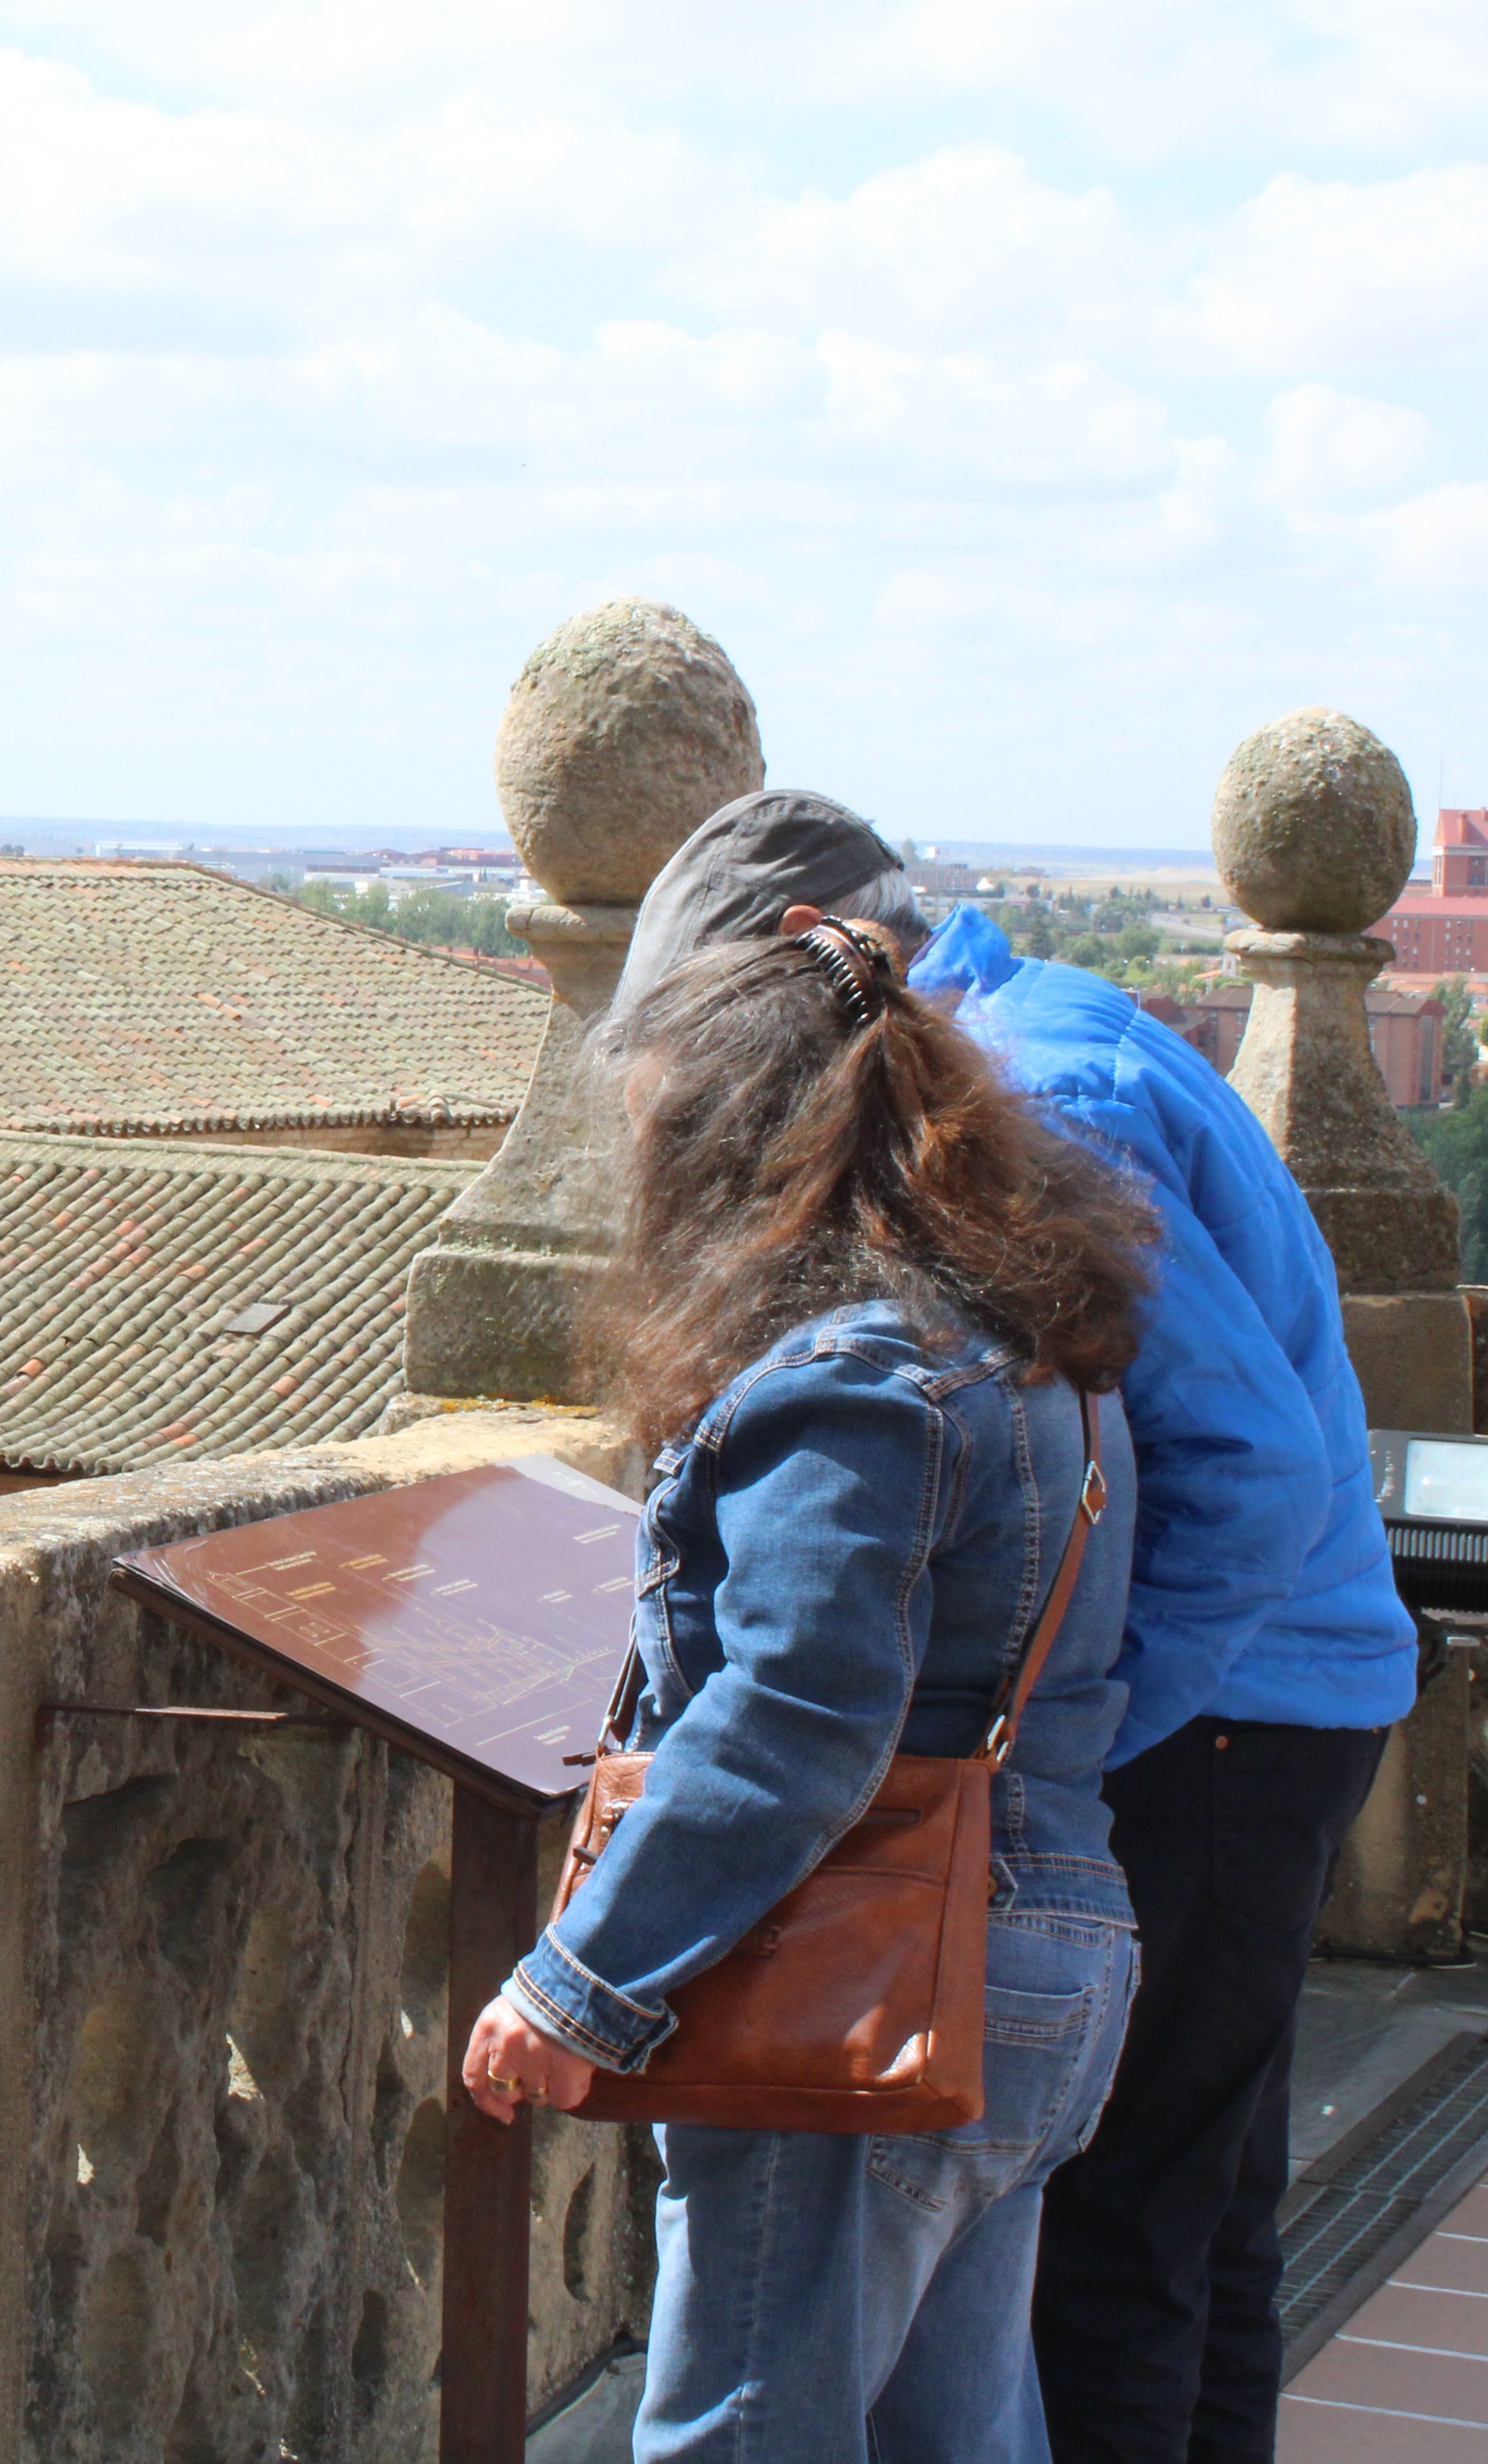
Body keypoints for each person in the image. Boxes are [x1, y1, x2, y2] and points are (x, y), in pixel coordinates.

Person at [598, 790, 1420, 2463]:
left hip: (1214, 1721)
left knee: (1110, 2266)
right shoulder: (1039, 1034)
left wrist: (1048, 1749)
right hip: (1279, 1699)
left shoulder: (1033, 1091)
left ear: (797, 972)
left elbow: (1243, 1481)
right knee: (1187, 2233)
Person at [462, 912, 1154, 2462]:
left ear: (735, 1150)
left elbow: (794, 1720)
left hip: (863, 1974)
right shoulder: (1031, 1349)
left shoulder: (853, 1379)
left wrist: (578, 1978)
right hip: (1049, 1950)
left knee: (748, 2436)